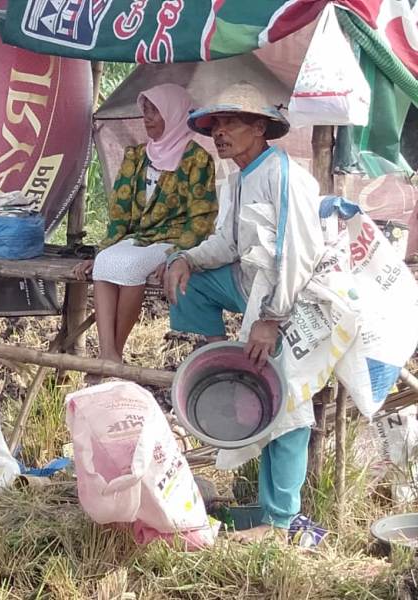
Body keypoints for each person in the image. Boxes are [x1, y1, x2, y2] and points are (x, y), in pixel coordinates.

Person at [163, 82, 325, 542]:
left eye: (232, 122)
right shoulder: (237, 179)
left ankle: (279, 520)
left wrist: (271, 321)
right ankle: (223, 359)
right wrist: (186, 258)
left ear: (259, 127)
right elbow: (229, 244)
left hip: (301, 298)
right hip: (252, 287)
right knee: (186, 284)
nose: (220, 133)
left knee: (288, 401)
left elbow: (297, 254)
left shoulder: (284, 175)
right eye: (215, 125)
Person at [74, 83, 218, 377]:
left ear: (174, 114)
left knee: (130, 267)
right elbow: (120, 212)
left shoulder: (197, 159)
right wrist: (105, 249)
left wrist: (178, 255)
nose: (147, 118)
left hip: (173, 238)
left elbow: (201, 218)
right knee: (105, 263)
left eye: (155, 111)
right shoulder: (137, 156)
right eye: (145, 111)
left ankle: (114, 353)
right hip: (139, 236)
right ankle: (108, 354)